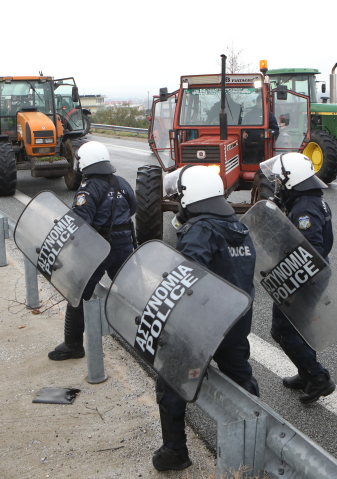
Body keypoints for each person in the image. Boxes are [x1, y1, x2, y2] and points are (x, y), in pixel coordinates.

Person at [153, 165, 258, 472]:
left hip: (202, 328)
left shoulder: (201, 230)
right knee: (240, 380)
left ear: (190, 197)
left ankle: (175, 451)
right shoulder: (237, 227)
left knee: (171, 379)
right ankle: (254, 444)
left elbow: (188, 280)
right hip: (236, 325)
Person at [48, 142, 137, 360]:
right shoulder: (122, 182)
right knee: (134, 295)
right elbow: (133, 207)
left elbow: (81, 222)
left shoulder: (88, 189)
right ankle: (143, 341)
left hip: (98, 250)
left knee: (78, 295)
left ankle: (73, 345)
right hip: (124, 246)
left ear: (84, 162)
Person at [266, 153, 336, 404]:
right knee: (301, 327)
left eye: (279, 180)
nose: (276, 184)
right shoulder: (309, 199)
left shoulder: (304, 206)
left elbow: (311, 248)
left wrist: (289, 277)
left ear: (291, 179)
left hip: (304, 277)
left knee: (283, 329)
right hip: (311, 275)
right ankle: (305, 372)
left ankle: (318, 378)